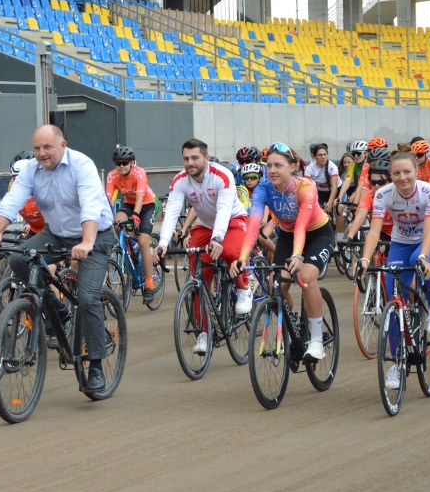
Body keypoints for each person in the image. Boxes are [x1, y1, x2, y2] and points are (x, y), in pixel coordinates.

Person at [0, 125, 111, 392]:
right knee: (20, 260)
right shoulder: (29, 169)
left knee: (87, 299)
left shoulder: (81, 165)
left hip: (95, 235)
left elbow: (90, 206)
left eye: (47, 147)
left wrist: (86, 242)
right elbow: (11, 202)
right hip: (57, 233)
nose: (41, 153)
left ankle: (95, 365)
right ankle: (58, 311)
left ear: (63, 145)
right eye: (37, 148)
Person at [234, 142, 333, 360]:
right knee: (275, 284)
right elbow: (254, 224)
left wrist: (298, 255)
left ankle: (316, 341)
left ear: (293, 166)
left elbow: (301, 224)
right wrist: (242, 257)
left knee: (306, 278)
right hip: (288, 236)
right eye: (269, 166)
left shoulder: (305, 187)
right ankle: (293, 325)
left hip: (317, 233)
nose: (272, 170)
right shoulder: (263, 188)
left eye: (278, 165)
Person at [154, 139, 253, 352]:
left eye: (195, 158)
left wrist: (217, 238)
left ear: (206, 158)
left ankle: (243, 287)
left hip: (234, 220)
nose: (190, 163)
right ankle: (204, 334)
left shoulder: (221, 175)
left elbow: (225, 209)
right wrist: (163, 244)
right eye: (186, 159)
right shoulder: (180, 180)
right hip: (206, 225)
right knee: (198, 279)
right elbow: (171, 211)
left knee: (229, 251)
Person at [359, 151, 430, 350]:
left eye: (407, 171)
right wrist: (364, 259)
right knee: (393, 303)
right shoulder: (383, 194)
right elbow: (374, 232)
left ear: (416, 171)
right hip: (401, 243)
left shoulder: (428, 192)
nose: (402, 177)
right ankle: (396, 363)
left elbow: (429, 229)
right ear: (390, 175)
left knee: (418, 259)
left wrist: (424, 256)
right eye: (396, 173)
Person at [106, 146, 159, 305]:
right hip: (129, 204)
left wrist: (136, 214)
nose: (121, 166)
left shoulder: (139, 172)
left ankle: (149, 283)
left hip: (147, 204)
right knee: (116, 222)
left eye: (124, 163)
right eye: (118, 163)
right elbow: (109, 199)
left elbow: (140, 196)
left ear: (131, 163)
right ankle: (128, 248)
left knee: (143, 241)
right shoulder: (112, 176)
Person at [344, 150, 394, 246]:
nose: (376, 186)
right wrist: (350, 237)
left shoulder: (398, 192)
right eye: (373, 182)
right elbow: (361, 214)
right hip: (380, 230)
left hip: (400, 233)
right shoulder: (370, 191)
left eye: (381, 182)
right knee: (375, 248)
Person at [305, 143, 338, 212]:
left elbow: (334, 187)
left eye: (325, 154)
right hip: (321, 192)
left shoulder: (332, 167)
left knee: (337, 209)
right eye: (320, 155)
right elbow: (306, 185)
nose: (323, 157)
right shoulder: (310, 168)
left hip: (335, 191)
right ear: (314, 157)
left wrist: (330, 202)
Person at [337, 140, 368, 204]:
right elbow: (347, 182)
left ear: (366, 153)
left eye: (359, 153)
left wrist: (355, 193)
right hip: (360, 189)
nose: (356, 156)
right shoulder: (353, 165)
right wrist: (339, 197)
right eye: (354, 154)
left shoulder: (370, 164)